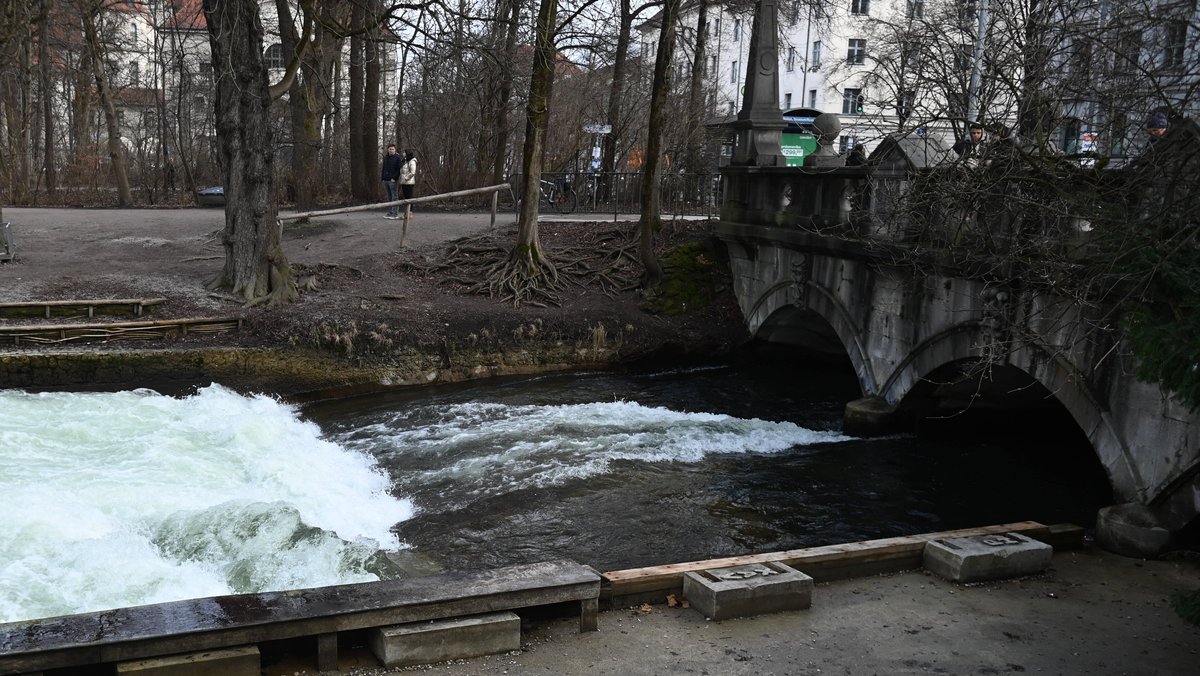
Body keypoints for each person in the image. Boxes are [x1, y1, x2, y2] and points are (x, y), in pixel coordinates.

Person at [381, 144, 402, 219]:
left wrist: (394, 178)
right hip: (386, 180)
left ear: (395, 150)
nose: (391, 150)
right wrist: (383, 178)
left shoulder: (397, 157)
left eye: (393, 149)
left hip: (393, 180)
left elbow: (399, 169)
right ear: (387, 149)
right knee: (389, 197)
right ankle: (390, 212)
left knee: (394, 197)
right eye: (390, 149)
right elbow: (384, 168)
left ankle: (395, 213)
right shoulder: (386, 158)